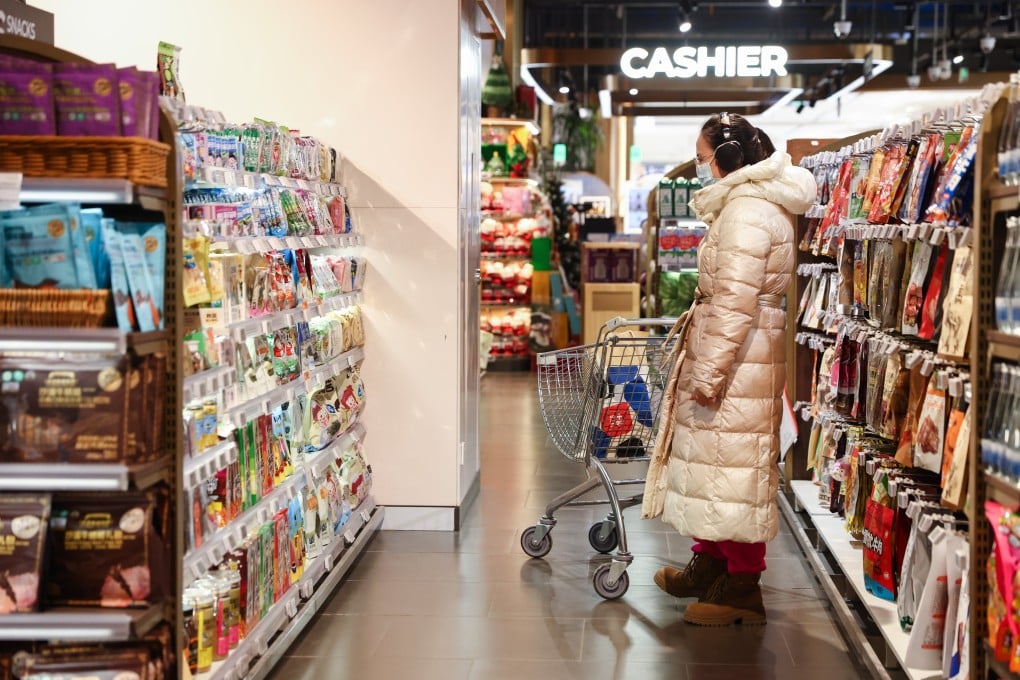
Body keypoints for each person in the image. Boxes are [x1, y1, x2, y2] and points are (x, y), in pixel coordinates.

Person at [642, 112, 816, 626]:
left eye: (701, 158)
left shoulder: (745, 212)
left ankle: (741, 585)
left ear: (729, 156)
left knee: (734, 470)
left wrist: (710, 373)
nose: (698, 168)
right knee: (717, 469)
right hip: (741, 357)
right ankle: (711, 563)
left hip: (737, 363)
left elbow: (734, 303)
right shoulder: (750, 205)